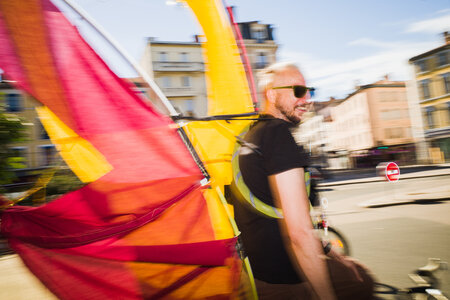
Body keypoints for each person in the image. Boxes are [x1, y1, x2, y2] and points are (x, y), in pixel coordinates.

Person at [232, 62, 374, 300]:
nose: (307, 99)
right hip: (287, 280)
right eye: (298, 92)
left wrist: (329, 250)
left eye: (310, 91)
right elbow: (299, 233)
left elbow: (273, 216)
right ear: (272, 94)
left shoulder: (250, 136)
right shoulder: (278, 135)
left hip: (257, 275)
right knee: (362, 281)